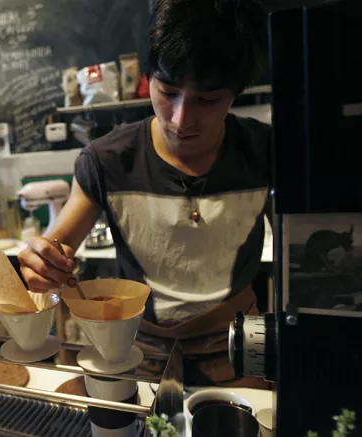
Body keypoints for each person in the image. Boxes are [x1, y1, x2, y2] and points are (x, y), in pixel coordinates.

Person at [18, 0, 270, 387]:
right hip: (140, 343)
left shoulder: (265, 151)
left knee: (257, 422)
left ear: (236, 93)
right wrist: (41, 263)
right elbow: (54, 248)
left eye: (207, 99)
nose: (181, 119)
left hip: (243, 335)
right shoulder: (108, 160)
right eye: (168, 91)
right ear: (148, 76)